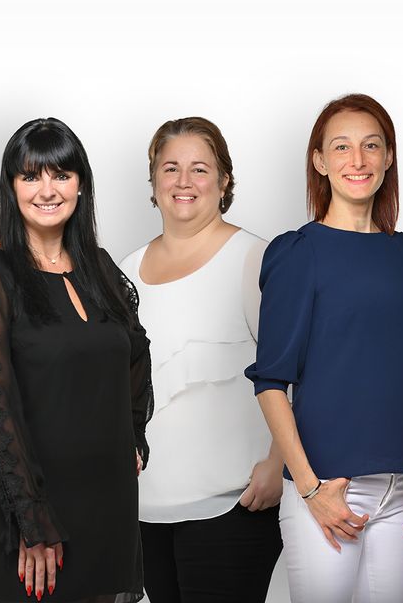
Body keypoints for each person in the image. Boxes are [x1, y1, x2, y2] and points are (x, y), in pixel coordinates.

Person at [246, 94, 403, 603]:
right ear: (319, 160)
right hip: (330, 488)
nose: (357, 160)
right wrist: (310, 489)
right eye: (341, 147)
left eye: (371, 146)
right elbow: (271, 383)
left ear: (388, 157)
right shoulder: (298, 252)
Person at [0, 117, 153, 603]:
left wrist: (133, 436)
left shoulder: (101, 268)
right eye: (31, 176)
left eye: (61, 175)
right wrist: (31, 518)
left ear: (80, 184)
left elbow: (135, 352)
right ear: (11, 188)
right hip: (36, 508)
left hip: (107, 499)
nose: (47, 190)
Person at [118, 117, 282, 603]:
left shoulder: (254, 258)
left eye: (199, 169)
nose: (183, 181)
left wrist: (278, 464)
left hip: (234, 504)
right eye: (170, 168)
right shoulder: (126, 271)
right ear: (154, 181)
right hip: (146, 510)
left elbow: (295, 372)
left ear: (224, 180)